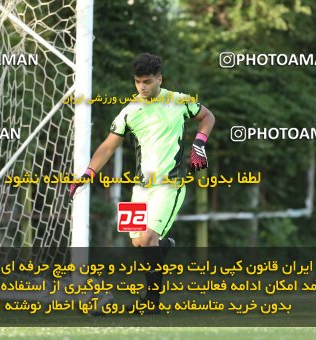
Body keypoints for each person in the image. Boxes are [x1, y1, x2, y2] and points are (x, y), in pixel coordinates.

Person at [69, 52, 215, 313]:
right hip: (141, 188)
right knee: (138, 242)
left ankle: (152, 303)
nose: (143, 87)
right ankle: (165, 247)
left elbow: (208, 117)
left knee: (148, 238)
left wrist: (199, 144)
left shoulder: (180, 101)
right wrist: (88, 172)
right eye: (138, 82)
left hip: (170, 185)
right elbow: (107, 146)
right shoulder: (130, 111)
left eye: (147, 81)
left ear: (159, 79)